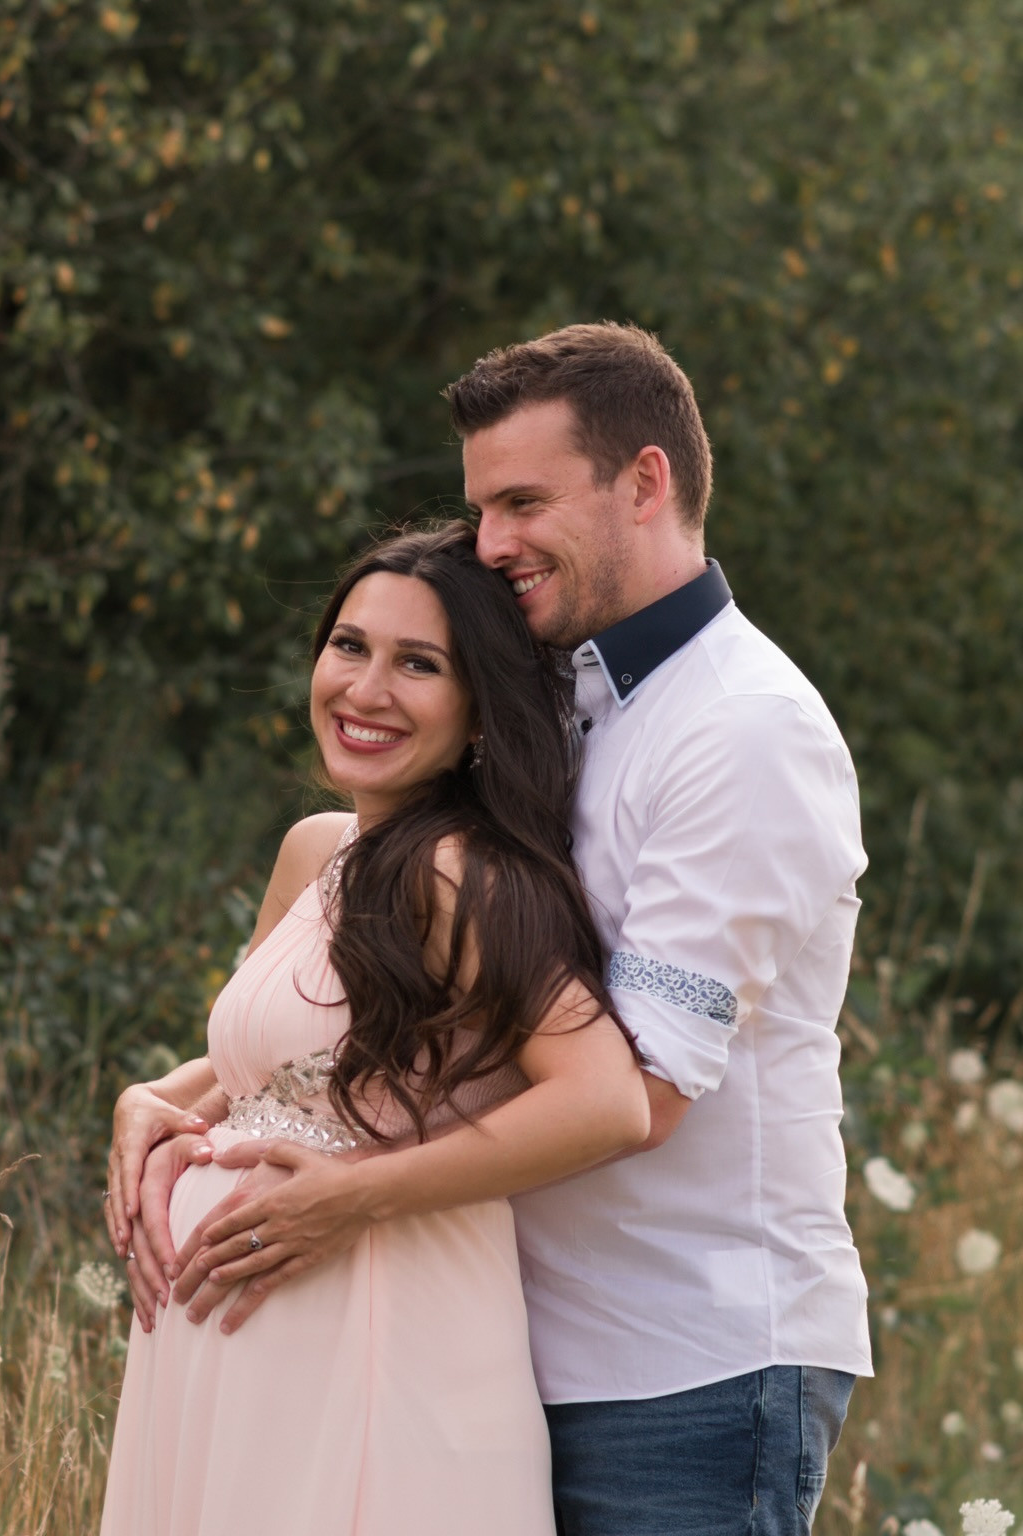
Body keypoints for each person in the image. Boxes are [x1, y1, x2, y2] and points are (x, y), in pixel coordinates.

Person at [106, 323, 870, 1536]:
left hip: (684, 1362)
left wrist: (348, 1193)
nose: (493, 542)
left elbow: (641, 1091)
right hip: (508, 1329)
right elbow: (433, 1001)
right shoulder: (567, 692)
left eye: (522, 502)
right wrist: (191, 1094)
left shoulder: (742, 730)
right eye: (481, 509)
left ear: (646, 482)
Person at [96, 522, 651, 1535]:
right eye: (349, 646)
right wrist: (152, 1101)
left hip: (374, 1338)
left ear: (479, 708)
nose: (364, 688)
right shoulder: (317, 851)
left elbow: (605, 1100)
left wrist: (351, 1200)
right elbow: (280, 1069)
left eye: (419, 665)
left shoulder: (466, 876)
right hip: (230, 1343)